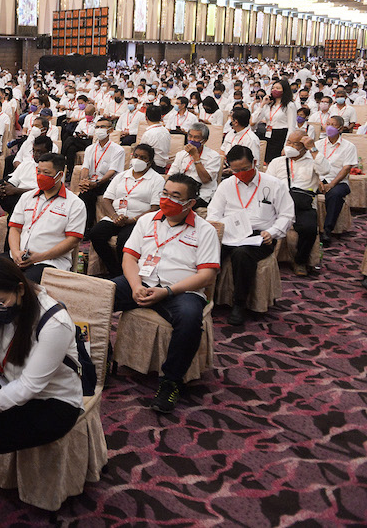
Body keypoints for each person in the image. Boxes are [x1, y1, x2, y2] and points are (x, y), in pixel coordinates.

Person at [0, 256, 82, 527]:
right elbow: (4, 366)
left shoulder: (54, 322)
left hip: (53, 404)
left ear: (20, 290)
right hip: (7, 383)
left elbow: (29, 387)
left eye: (0, 303)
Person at [113, 173, 221, 413]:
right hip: (141, 281)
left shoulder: (205, 231)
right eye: (165, 193)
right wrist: (135, 286)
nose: (167, 199)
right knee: (97, 294)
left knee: (190, 319)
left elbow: (207, 275)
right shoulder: (147, 220)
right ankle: (98, 356)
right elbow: (130, 257)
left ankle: (170, 381)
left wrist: (168, 292)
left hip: (182, 290)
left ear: (191, 203)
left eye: (175, 196)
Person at [207, 146, 294, 326]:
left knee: (242, 255)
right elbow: (213, 213)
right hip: (230, 232)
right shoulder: (226, 185)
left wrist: (272, 232)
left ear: (254, 163)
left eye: (245, 169)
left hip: (260, 235)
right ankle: (207, 295)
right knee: (209, 250)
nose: (241, 174)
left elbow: (287, 214)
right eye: (236, 170)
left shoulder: (274, 184)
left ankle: (239, 303)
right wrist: (218, 228)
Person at [6, 153, 86, 283]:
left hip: (51, 261)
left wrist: (39, 257)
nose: (40, 176)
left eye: (46, 173)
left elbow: (72, 240)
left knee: (25, 284)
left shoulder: (75, 204)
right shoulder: (27, 197)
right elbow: (15, 228)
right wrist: (15, 252)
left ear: (59, 175)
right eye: (38, 172)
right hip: (19, 257)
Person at [86, 144, 163, 278]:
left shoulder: (157, 179)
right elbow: (107, 199)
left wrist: (132, 220)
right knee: (96, 233)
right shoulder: (121, 176)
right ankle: (114, 270)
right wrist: (115, 216)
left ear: (149, 162)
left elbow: (155, 208)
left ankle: (126, 274)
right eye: (136, 156)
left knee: (124, 240)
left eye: (143, 158)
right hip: (115, 216)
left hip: (137, 220)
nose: (138, 159)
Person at [265, 130, 329, 276]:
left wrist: (313, 148)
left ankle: (300, 261)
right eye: (289, 142)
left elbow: (326, 170)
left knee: (309, 229)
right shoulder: (277, 162)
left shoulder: (312, 161)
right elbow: (267, 184)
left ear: (304, 146)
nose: (290, 146)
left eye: (295, 144)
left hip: (302, 204)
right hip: (278, 203)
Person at [315, 116, 357, 245]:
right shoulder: (318, 144)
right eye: (327, 123)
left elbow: (346, 169)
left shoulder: (348, 146)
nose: (329, 127)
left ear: (340, 128)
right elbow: (312, 163)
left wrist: (331, 184)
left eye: (332, 124)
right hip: (319, 179)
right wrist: (318, 181)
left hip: (338, 181)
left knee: (334, 194)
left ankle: (327, 230)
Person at [76, 117, 123, 227]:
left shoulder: (117, 150)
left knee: (88, 194)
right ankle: (81, 226)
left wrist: (97, 183)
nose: (99, 129)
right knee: (85, 192)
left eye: (102, 127)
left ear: (110, 130)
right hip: (92, 181)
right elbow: (85, 167)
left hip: (108, 182)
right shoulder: (90, 149)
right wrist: (84, 181)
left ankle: (87, 227)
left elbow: (112, 171)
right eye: (97, 127)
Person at [167, 123, 222, 208]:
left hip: (202, 193)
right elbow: (170, 175)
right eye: (190, 136)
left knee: (182, 206)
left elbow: (205, 179)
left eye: (196, 137)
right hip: (181, 189)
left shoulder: (213, 156)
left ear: (204, 140)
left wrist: (196, 157)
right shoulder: (181, 154)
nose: (192, 140)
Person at [138, 106, 171, 172]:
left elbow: (142, 152)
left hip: (151, 167)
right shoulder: (166, 131)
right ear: (160, 117)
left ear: (146, 117)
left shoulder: (148, 133)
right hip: (162, 166)